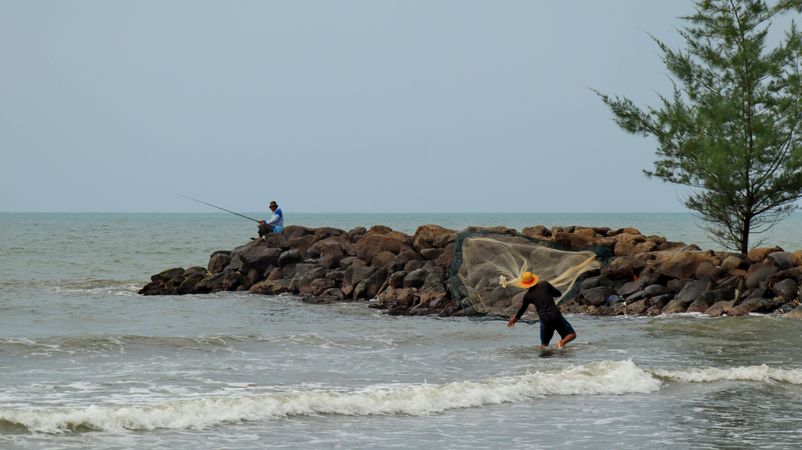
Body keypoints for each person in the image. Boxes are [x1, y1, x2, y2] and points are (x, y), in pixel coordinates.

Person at [506, 272, 576, 349]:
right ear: (533, 279)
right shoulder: (544, 284)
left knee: (544, 345)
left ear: (525, 284)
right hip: (555, 315)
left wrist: (515, 318)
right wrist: (548, 294)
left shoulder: (527, 296)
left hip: (544, 319)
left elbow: (522, 309)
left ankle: (541, 360)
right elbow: (558, 294)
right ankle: (562, 342)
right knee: (571, 334)